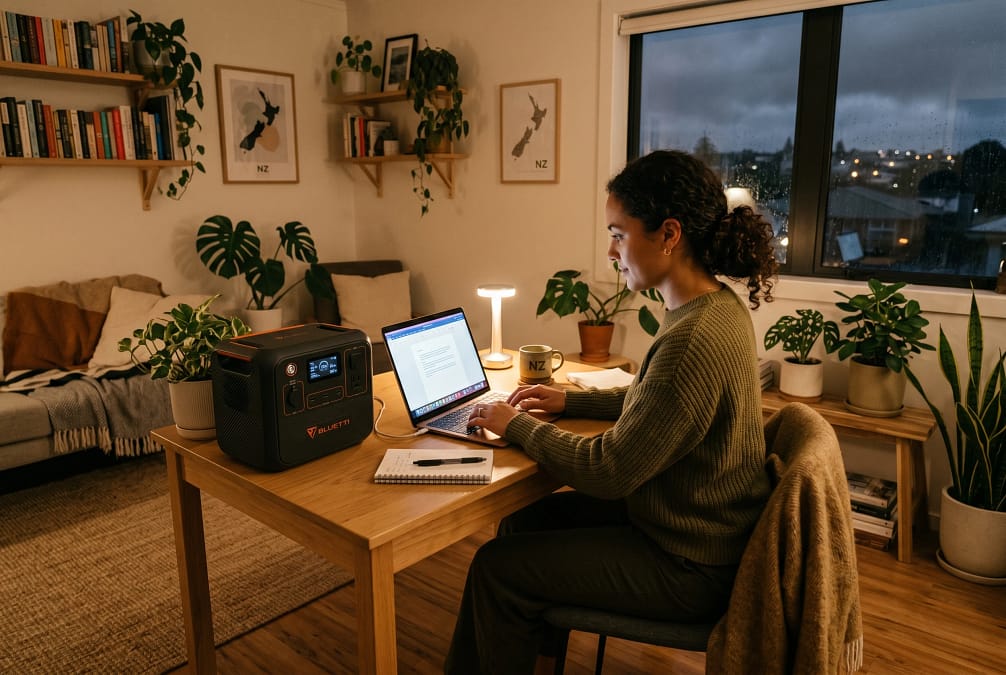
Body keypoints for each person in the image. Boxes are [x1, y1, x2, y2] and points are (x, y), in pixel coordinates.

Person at [444, 149, 779, 675]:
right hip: (689, 529)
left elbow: (611, 470)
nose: (610, 250)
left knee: (495, 569)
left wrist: (518, 425)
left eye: (619, 234)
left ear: (669, 235)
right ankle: (529, 654)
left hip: (689, 564)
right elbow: (659, 401)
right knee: (524, 522)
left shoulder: (693, 335)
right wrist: (570, 399)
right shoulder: (712, 308)